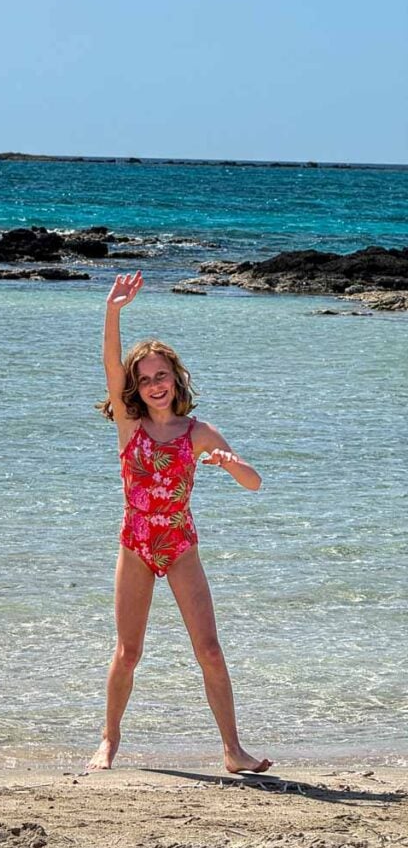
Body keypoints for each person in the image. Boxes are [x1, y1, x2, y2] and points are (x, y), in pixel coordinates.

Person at [88, 271, 272, 774]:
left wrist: (229, 463)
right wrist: (112, 311)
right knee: (127, 652)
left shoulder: (199, 432)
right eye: (144, 379)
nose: (154, 385)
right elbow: (109, 366)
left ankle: (233, 751)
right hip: (136, 544)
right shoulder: (130, 427)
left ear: (176, 377)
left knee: (209, 650)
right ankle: (108, 742)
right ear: (136, 387)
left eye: (161, 376)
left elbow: (254, 482)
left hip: (180, 543)